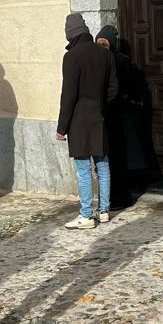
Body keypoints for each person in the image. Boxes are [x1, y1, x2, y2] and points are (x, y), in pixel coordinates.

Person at [57, 13, 117, 229]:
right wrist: (101, 107)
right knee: (102, 164)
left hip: (79, 121)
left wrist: (61, 127)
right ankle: (103, 211)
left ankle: (85, 215)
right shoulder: (104, 54)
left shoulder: (72, 56)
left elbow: (68, 94)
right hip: (99, 117)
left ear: (70, 34)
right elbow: (113, 89)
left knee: (83, 168)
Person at [97, 25, 133, 210]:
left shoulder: (120, 61)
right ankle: (109, 197)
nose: (102, 45)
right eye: (99, 42)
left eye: (105, 42)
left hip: (117, 117)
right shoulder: (97, 60)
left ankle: (121, 197)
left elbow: (121, 87)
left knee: (117, 157)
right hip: (104, 117)